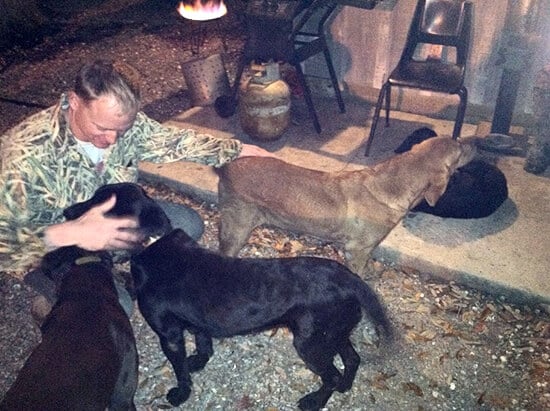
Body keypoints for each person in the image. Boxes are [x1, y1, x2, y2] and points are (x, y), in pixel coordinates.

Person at [0, 59, 271, 315]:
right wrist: (70, 233)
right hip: (56, 248)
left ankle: (115, 265)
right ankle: (49, 302)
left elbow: (171, 140)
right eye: (102, 128)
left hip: (114, 223)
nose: (111, 140)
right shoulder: (23, 157)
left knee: (188, 225)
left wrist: (235, 150)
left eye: (122, 130)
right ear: (74, 102)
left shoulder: (123, 124)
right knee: (115, 309)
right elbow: (5, 244)